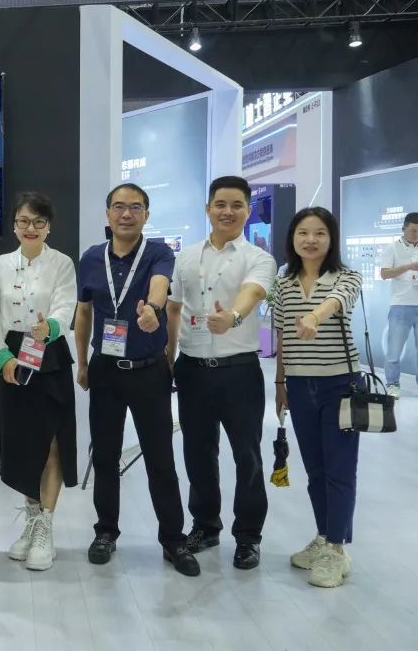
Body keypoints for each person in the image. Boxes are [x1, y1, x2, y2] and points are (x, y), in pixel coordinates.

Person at [74, 183, 199, 577]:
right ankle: (105, 532)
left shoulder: (158, 252)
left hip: (148, 370)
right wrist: (82, 363)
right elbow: (83, 313)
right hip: (105, 370)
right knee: (105, 455)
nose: (126, 214)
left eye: (135, 207)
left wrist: (153, 310)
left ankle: (173, 539)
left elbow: (160, 285)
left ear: (146, 214)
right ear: (107, 213)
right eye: (119, 207)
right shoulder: (91, 258)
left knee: (160, 458)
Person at [166, 176, 277, 570]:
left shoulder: (258, 258)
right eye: (220, 204)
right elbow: (173, 307)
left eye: (236, 205)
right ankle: (206, 526)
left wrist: (232, 316)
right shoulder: (186, 257)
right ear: (208, 208)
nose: (228, 212)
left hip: (239, 371)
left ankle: (248, 537)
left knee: (247, 456)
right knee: (197, 453)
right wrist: (169, 357)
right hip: (192, 369)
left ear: (248, 210)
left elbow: (253, 292)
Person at [273, 207, 363, 588]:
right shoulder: (283, 283)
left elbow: (337, 301)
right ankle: (324, 537)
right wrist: (280, 383)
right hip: (298, 384)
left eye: (320, 233)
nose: (311, 240)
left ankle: (337, 550)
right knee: (315, 470)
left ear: (331, 238)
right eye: (303, 233)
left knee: (339, 469)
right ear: (292, 238)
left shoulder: (347, 277)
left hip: (339, 384)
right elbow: (282, 335)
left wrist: (314, 317)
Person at [0, 192, 78, 571]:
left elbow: (66, 306)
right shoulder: (0, 265)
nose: (31, 228)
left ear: (48, 227)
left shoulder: (62, 263)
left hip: (50, 353)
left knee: (52, 442)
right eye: (24, 221)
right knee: (25, 444)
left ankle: (46, 527)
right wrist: (0, 356)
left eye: (38, 222)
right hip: (14, 355)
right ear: (14, 225)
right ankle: (30, 520)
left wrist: (50, 327)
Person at [379, 212, 418, 398]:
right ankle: (392, 384)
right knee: (394, 350)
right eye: (413, 231)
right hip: (401, 305)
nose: (416, 234)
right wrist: (408, 267)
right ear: (404, 228)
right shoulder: (392, 248)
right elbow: (384, 274)